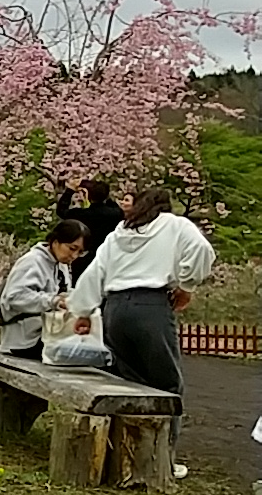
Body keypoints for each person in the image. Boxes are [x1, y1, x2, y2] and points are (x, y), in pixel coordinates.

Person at [70, 188, 216, 479]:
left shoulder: (119, 234)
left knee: (128, 381)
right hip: (150, 306)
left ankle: (123, 453)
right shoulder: (175, 225)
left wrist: (83, 310)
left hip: (114, 308)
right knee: (167, 385)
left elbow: (95, 271)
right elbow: (202, 251)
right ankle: (163, 458)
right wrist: (186, 285)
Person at [0, 220, 87, 359]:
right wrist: (53, 301)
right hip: (26, 339)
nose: (74, 256)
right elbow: (15, 297)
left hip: (49, 331)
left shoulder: (61, 265)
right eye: (72, 249)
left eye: (80, 252)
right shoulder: (32, 261)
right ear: (55, 242)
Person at [56, 177, 124, 284]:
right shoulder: (116, 214)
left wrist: (70, 191)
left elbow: (61, 210)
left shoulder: (83, 214)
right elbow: (113, 205)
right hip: (109, 256)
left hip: (85, 258)